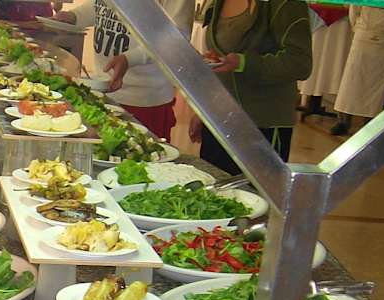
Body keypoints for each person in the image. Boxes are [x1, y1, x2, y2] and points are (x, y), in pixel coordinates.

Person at [190, 0, 313, 174]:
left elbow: (299, 63)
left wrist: (243, 63)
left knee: (253, 189)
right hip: (219, 120)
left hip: (261, 125)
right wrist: (204, 109)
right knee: (214, 183)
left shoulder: (285, 4)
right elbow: (219, 61)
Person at [54, 0, 195, 140]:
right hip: (101, 91)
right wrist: (74, 16)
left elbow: (176, 37)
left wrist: (130, 59)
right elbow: (103, 5)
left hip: (143, 100)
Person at [332, 6, 384, 136]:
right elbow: (354, 11)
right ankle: (343, 121)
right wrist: (359, 28)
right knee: (351, 84)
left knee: (375, 88)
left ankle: (369, 123)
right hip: (363, 35)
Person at [298, 3, 352, 120]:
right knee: (316, 59)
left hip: (340, 26)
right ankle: (310, 100)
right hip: (318, 21)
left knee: (329, 62)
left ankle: (315, 100)